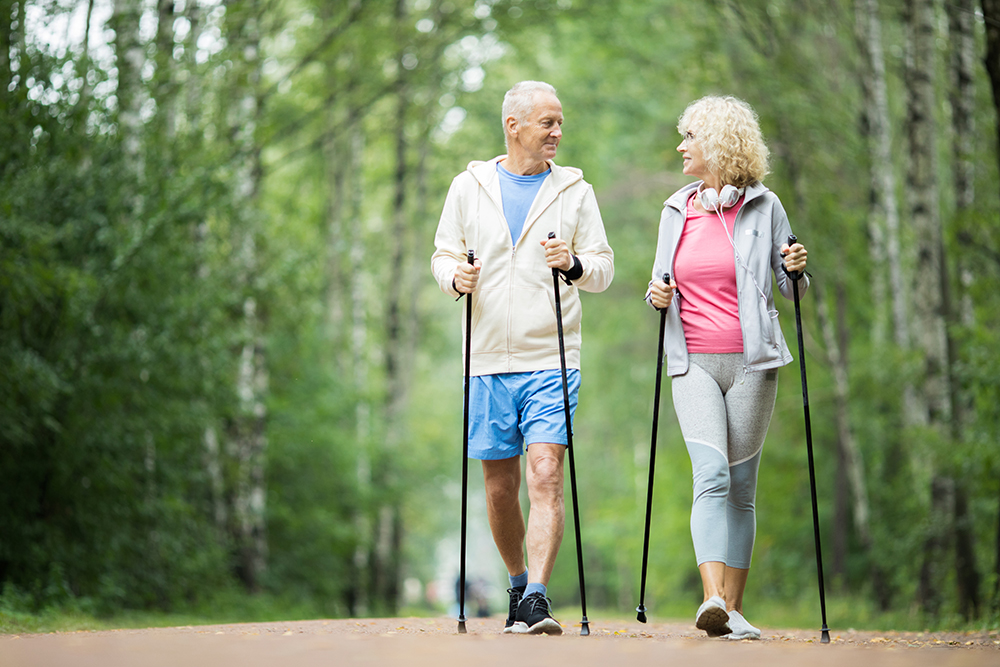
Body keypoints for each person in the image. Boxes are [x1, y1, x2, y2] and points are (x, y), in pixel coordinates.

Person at [431, 81, 614, 635]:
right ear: (513, 126)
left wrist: (575, 264)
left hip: (551, 355)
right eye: (547, 123)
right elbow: (441, 254)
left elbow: (603, 268)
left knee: (545, 473)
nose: (558, 132)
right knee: (498, 487)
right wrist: (454, 277)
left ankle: (537, 594)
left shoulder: (575, 192)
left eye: (560, 123)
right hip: (486, 358)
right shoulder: (468, 187)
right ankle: (515, 583)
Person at [645, 96, 809, 640]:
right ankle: (712, 597)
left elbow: (791, 289)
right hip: (691, 361)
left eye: (689, 136)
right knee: (710, 475)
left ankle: (733, 610)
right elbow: (658, 285)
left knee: (742, 488)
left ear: (716, 142)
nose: (681, 146)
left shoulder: (765, 207)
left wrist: (795, 270)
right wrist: (657, 296)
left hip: (753, 363)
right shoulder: (676, 209)